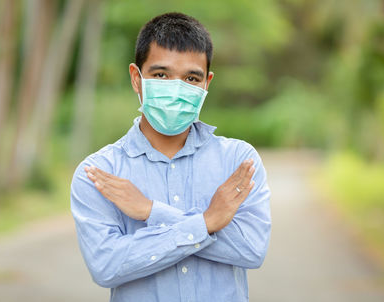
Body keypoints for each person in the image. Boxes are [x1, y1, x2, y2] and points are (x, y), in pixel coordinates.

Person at [70, 12, 271, 302]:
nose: (177, 88)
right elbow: (107, 267)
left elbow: (251, 250)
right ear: (136, 79)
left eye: (191, 78)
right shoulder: (100, 173)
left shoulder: (239, 161)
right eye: (161, 75)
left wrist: (153, 212)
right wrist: (207, 222)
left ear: (207, 83)